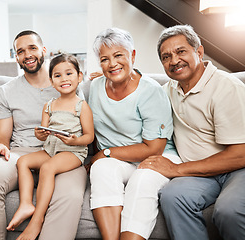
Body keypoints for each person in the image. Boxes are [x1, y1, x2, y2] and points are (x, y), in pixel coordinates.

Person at [0, 30, 88, 240]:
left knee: (69, 195)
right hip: (21, 152)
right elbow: (1, 137)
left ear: (43, 50)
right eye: (21, 51)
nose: (27, 54)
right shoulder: (7, 91)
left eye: (32, 48)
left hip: (64, 152)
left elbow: (84, 127)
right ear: (16, 58)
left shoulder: (67, 83)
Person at [138, 24, 245, 240]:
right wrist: (105, 81)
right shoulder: (166, 91)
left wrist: (177, 170)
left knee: (228, 210)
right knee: (172, 196)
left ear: (199, 51)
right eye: (166, 57)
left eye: (181, 51)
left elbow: (240, 154)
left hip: (238, 169)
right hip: (200, 175)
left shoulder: (227, 87)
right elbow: (137, 92)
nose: (174, 60)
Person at [87, 27, 181, 240]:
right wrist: (96, 156)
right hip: (121, 161)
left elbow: (154, 148)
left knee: (142, 180)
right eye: (104, 59)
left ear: (133, 55)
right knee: (101, 168)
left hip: (156, 156)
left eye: (119, 55)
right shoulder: (95, 86)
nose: (112, 64)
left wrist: (105, 152)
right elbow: (94, 130)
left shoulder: (151, 91)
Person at [6, 53, 94, 240]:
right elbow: (42, 130)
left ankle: (37, 220)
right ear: (52, 81)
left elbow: (89, 136)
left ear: (79, 76)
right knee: (22, 161)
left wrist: (74, 141)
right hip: (50, 149)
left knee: (47, 168)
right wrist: (40, 134)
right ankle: (26, 204)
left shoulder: (81, 106)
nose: (64, 79)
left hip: (72, 151)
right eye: (58, 75)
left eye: (69, 73)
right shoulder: (49, 105)